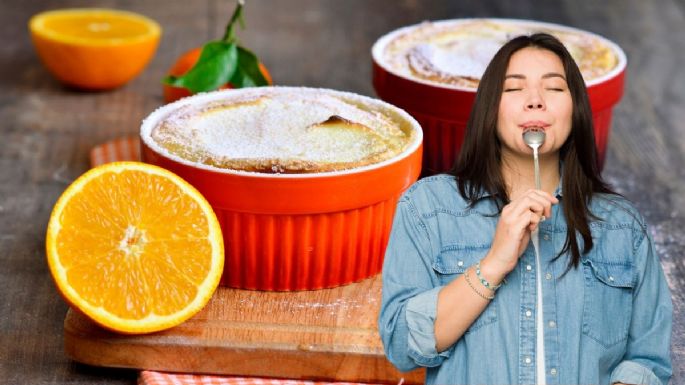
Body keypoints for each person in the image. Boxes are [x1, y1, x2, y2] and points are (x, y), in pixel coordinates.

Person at [378, 33, 672, 385]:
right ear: (490, 108)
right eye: (514, 89)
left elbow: (648, 362)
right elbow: (401, 345)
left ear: (575, 108)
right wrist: (495, 263)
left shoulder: (622, 227)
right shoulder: (427, 207)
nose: (534, 101)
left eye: (554, 88)